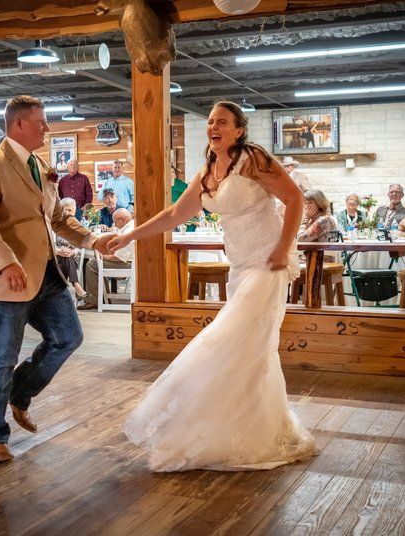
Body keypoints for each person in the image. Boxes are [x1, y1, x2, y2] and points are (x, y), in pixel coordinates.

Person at [108, 100, 315, 472]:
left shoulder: (253, 159)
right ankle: (253, 431)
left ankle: (196, 421)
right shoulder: (207, 170)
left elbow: (295, 198)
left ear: (239, 130)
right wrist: (129, 236)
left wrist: (285, 248)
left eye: (222, 122)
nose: (214, 127)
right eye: (210, 122)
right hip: (240, 267)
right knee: (251, 352)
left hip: (270, 264)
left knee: (222, 340)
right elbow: (174, 214)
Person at [0, 95, 114, 463]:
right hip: (6, 277)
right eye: (41, 122)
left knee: (68, 338)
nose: (47, 128)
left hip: (47, 274)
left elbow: (57, 219)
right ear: (19, 125)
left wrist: (94, 240)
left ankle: (19, 392)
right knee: (0, 356)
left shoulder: (40, 165)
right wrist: (5, 262)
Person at [78, 208, 134, 311]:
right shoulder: (130, 226)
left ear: (123, 219)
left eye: (115, 221)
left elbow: (119, 257)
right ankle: (101, 298)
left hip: (128, 264)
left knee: (92, 264)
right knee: (97, 263)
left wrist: (102, 256)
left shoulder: (128, 231)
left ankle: (93, 301)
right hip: (130, 262)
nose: (114, 224)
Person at [55, 198, 90, 301]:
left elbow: (80, 247)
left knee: (67, 257)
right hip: (56, 257)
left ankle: (61, 295)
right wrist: (59, 251)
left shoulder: (78, 226)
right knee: (64, 257)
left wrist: (72, 252)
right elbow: (51, 244)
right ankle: (76, 284)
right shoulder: (55, 226)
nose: (67, 212)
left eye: (70, 210)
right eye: (64, 210)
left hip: (72, 258)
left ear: (74, 211)